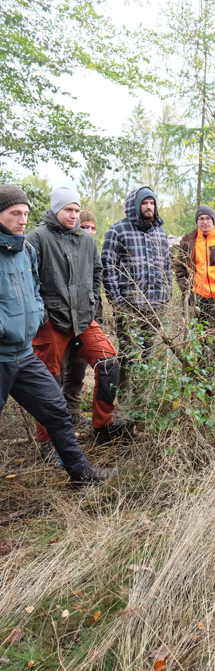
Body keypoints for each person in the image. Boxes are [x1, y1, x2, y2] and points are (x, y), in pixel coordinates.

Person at [0, 185, 115, 484]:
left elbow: (35, 286)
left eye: (25, 213)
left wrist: (37, 313)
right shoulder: (37, 239)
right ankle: (49, 446)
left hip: (30, 349)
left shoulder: (26, 248)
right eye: (15, 213)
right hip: (15, 347)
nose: (22, 219)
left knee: (60, 406)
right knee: (53, 385)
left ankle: (85, 468)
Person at [27, 188, 130, 455]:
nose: (73, 215)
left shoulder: (85, 240)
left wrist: (91, 301)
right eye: (68, 210)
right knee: (48, 380)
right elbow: (28, 281)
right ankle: (47, 440)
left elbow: (97, 272)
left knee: (109, 363)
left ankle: (103, 424)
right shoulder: (37, 239)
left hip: (83, 319)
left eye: (76, 210)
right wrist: (43, 315)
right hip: (52, 321)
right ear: (56, 210)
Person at [101, 187, 172, 393]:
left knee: (150, 352)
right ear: (135, 205)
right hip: (129, 306)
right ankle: (125, 398)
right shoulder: (117, 231)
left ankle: (145, 397)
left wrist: (166, 296)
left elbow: (167, 266)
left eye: (152, 203)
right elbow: (108, 268)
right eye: (145, 203)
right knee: (129, 353)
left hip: (156, 305)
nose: (149, 207)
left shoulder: (160, 232)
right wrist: (117, 302)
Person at [174, 205, 215, 354]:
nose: (204, 222)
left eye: (208, 218)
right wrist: (187, 289)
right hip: (197, 296)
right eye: (201, 219)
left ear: (213, 220)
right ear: (197, 221)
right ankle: (201, 371)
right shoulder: (188, 241)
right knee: (199, 336)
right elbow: (179, 268)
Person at [60, 209, 100, 426]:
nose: (89, 231)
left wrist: (96, 311)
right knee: (59, 367)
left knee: (79, 366)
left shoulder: (92, 249)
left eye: (93, 228)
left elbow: (96, 281)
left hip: (87, 318)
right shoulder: (65, 246)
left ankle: (73, 408)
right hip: (62, 320)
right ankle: (56, 414)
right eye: (85, 227)